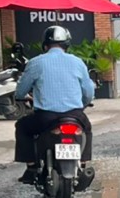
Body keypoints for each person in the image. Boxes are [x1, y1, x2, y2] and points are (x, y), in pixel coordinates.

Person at [14, 26, 94, 183]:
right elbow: (89, 91)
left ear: (45, 45)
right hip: (75, 115)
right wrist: (83, 104)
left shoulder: (36, 63)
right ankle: (83, 164)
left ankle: (31, 167)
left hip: (45, 118)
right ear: (66, 45)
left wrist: (22, 97)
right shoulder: (78, 62)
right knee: (87, 129)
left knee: (22, 127)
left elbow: (21, 90)